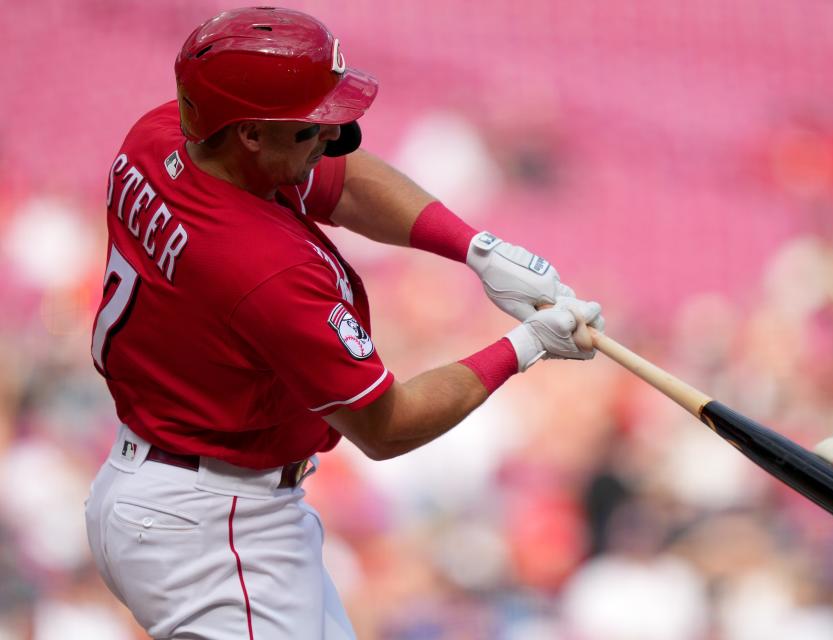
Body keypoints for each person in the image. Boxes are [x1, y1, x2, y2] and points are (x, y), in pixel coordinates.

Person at [84, 6, 603, 639]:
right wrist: (525, 346)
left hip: (173, 491)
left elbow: (345, 183)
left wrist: (475, 248)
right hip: (212, 526)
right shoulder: (264, 270)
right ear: (249, 132)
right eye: (310, 128)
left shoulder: (164, 134)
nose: (331, 139)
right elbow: (387, 427)